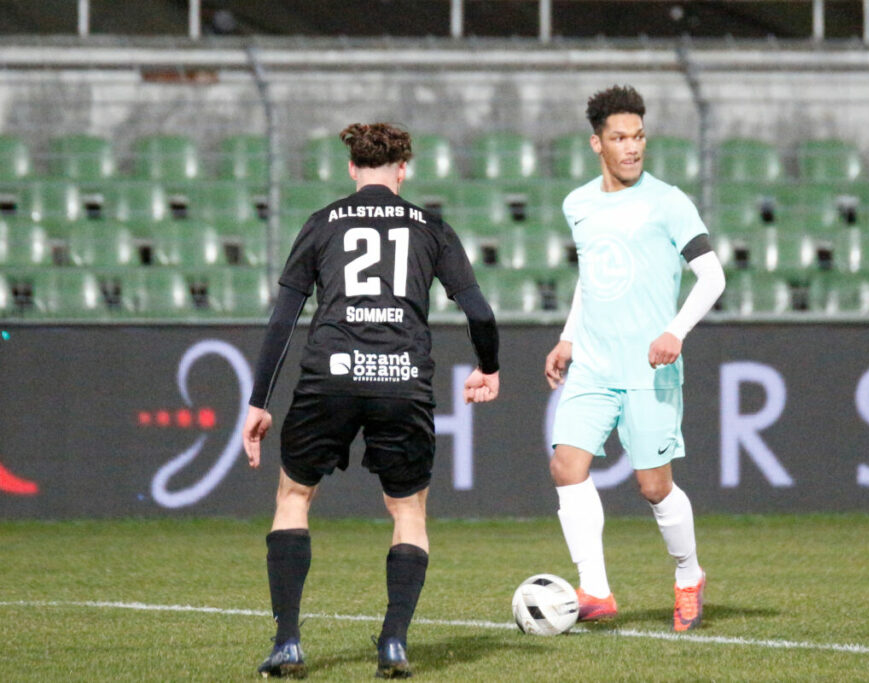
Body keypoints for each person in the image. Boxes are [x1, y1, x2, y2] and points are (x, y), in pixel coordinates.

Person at [243, 122, 500, 678]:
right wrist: (488, 366)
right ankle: (394, 643)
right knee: (407, 509)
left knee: (294, 496)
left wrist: (258, 400)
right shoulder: (431, 228)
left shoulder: (322, 223)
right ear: (403, 169)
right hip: (402, 379)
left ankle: (287, 643)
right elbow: (480, 312)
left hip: (329, 377)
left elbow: (283, 319)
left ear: (352, 168)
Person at [544, 85, 726, 632]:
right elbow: (592, 276)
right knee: (566, 465)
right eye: (620, 138)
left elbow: (712, 276)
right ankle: (596, 591)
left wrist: (675, 331)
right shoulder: (578, 204)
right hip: (594, 364)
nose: (632, 147)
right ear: (596, 144)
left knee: (654, 487)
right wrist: (568, 337)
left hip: (650, 368)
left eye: (639, 137)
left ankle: (689, 575)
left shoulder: (668, 202)